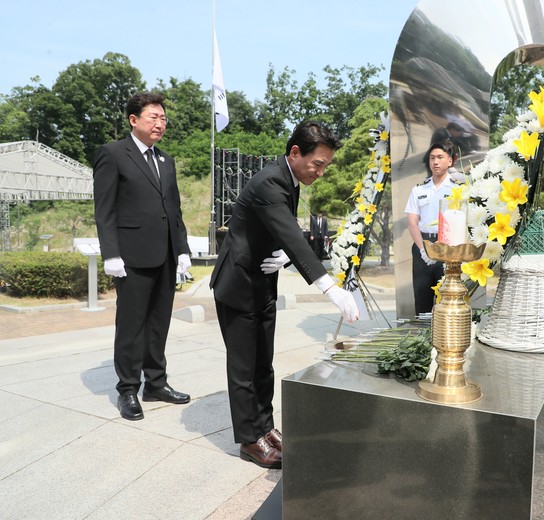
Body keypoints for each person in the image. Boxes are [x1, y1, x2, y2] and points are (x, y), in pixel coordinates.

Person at [210, 121, 359, 469]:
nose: (320, 172)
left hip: (262, 282)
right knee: (244, 367)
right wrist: (329, 287)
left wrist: (283, 255)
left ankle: (264, 427)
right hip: (238, 285)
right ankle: (250, 439)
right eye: (317, 164)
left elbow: (279, 230)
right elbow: (292, 235)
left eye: (325, 166)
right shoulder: (270, 181)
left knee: (264, 363)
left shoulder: (290, 180)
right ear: (295, 152)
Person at [93, 92, 192, 421]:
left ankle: (156, 383)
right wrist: (111, 253)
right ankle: (127, 389)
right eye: (154, 117)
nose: (160, 123)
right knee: (131, 325)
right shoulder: (113, 154)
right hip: (131, 258)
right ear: (134, 120)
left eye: (163, 118)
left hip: (165, 255)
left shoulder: (166, 160)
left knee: (158, 322)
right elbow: (104, 209)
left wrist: (182, 250)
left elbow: (173, 210)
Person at [405, 142, 460, 315]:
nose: (435, 162)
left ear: (450, 161)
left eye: (440, 157)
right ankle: (424, 330)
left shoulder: (457, 189)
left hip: (448, 247)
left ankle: (446, 330)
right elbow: (412, 221)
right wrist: (423, 250)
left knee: (448, 298)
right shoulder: (419, 189)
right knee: (422, 297)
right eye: (432, 158)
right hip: (423, 244)